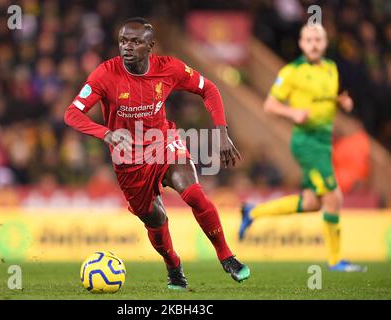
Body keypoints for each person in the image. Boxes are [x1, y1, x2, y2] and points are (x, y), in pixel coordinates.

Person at [64, 17, 250, 290]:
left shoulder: (169, 68)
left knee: (193, 193)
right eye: (123, 41)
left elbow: (208, 88)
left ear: (151, 46)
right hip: (128, 162)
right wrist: (106, 133)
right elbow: (72, 113)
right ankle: (174, 265)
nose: (127, 47)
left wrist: (221, 132)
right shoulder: (105, 74)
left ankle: (227, 256)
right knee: (156, 219)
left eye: (135, 42)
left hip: (163, 142)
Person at [239, 23, 366, 272]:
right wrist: (293, 112)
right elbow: (270, 106)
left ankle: (253, 212)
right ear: (301, 44)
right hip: (306, 142)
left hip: (324, 141)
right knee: (334, 197)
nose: (314, 44)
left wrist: (343, 101)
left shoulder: (331, 68)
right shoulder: (291, 72)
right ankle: (335, 261)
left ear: (325, 43)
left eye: (318, 39)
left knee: (312, 203)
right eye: (309, 40)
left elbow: (331, 96)